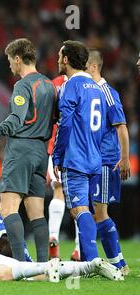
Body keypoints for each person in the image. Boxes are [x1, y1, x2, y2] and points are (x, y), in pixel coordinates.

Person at [0, 38, 56, 262]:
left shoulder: (22, 85)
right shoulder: (48, 84)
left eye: (10, 60)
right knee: (37, 213)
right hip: (40, 152)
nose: (9, 65)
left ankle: (20, 265)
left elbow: (16, 118)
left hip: (21, 150)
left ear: (17, 58)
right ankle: (44, 265)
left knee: (8, 208)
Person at [52, 40, 108, 262]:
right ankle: (88, 258)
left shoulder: (70, 86)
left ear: (66, 59)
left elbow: (64, 124)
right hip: (94, 158)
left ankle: (91, 262)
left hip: (75, 158)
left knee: (78, 210)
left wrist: (57, 154)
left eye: (59, 56)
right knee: (85, 209)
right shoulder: (98, 88)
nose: (57, 59)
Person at [85, 49, 130, 275]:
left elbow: (121, 126)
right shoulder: (91, 92)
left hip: (106, 161)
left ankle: (119, 264)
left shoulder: (107, 92)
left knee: (99, 213)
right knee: (92, 212)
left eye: (84, 67)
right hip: (93, 161)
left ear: (93, 67)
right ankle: (106, 261)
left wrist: (125, 157)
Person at [47, 75, 81, 261]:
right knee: (80, 197)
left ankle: (53, 236)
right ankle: (78, 247)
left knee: (58, 191)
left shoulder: (55, 84)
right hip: (79, 148)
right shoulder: (85, 83)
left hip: (56, 145)